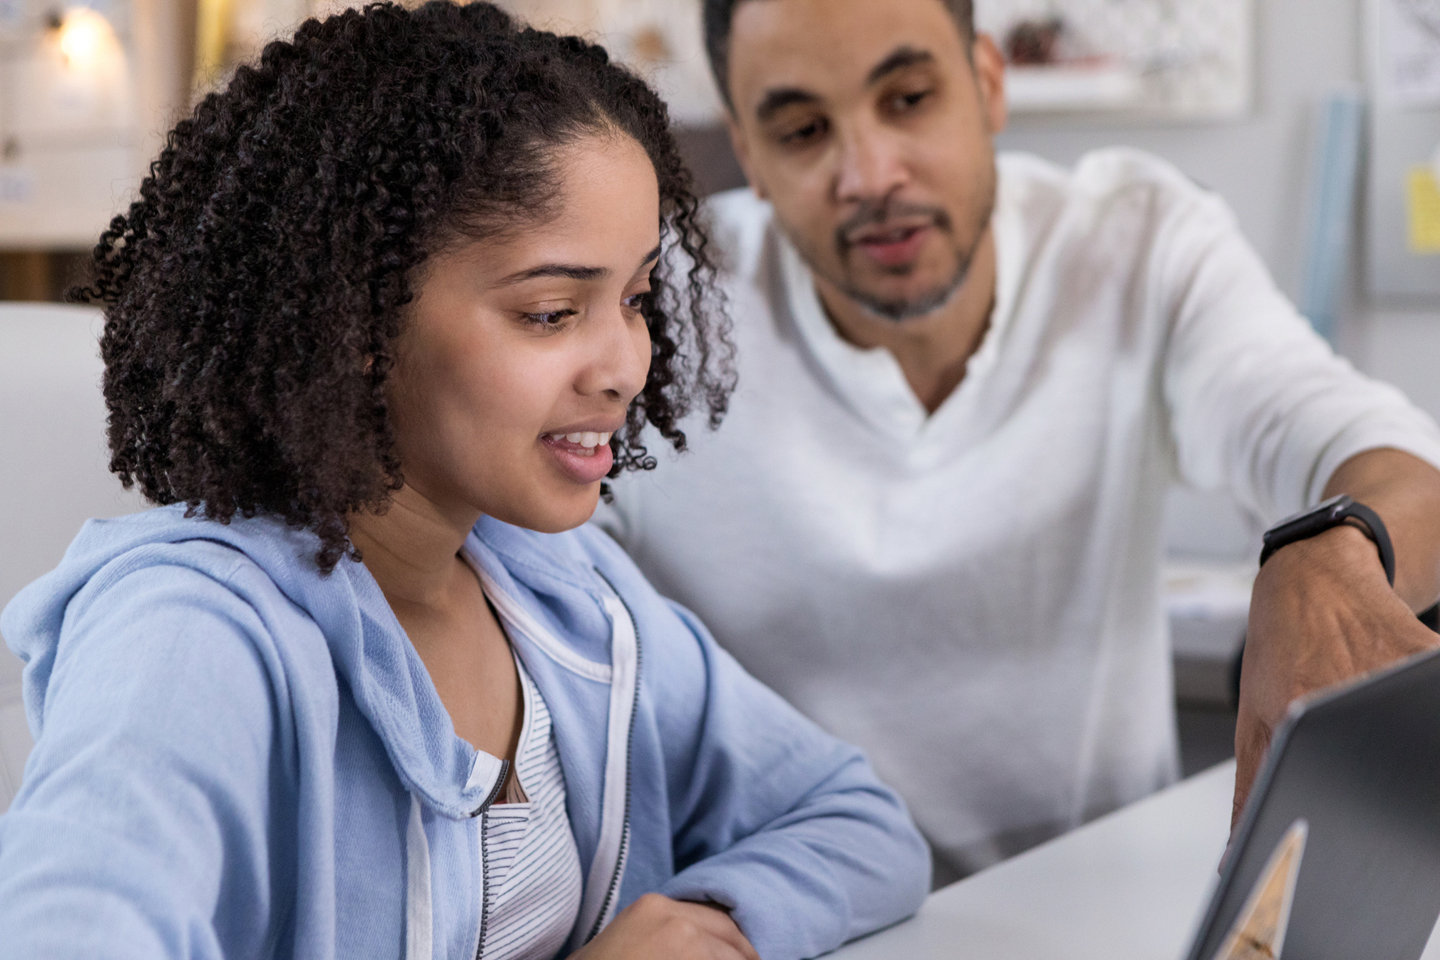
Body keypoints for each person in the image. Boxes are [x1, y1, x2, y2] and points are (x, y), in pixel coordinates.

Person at [0, 4, 930, 957]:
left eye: (635, 300)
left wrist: (713, 924)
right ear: (357, 325)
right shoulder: (191, 637)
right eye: (551, 312)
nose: (624, 365)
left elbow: (856, 819)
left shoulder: (566, 595)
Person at [594, 0, 1440, 882]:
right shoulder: (651, 310)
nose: (871, 173)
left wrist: (1334, 551)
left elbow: (1383, 455)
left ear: (989, 85)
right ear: (752, 154)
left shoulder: (1137, 242)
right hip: (795, 919)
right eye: (804, 130)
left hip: (1093, 915)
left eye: (910, 98)